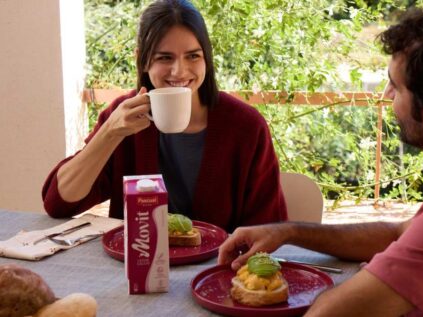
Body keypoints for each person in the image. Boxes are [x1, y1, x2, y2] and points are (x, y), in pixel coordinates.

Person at [218, 4, 423, 316]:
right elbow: (399, 234)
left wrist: (373, 277)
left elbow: (325, 313)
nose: (387, 94)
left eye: (396, 85)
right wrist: (287, 232)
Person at [42, 0, 287, 232]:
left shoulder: (245, 126)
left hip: (218, 269)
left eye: (193, 56)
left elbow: (268, 228)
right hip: (138, 266)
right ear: (142, 60)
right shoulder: (123, 117)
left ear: (207, 59)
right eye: (164, 57)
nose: (179, 71)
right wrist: (109, 132)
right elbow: (58, 203)